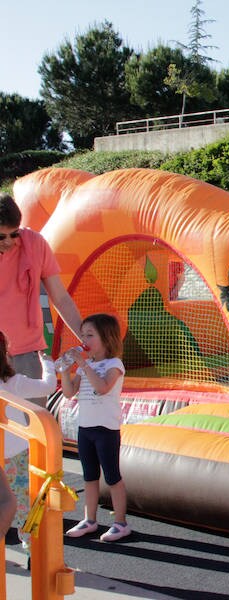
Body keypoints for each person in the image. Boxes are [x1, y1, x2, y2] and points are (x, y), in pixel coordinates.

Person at [0, 192, 82, 404]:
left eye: (14, 234)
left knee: (33, 428)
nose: (9, 241)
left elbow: (61, 298)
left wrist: (88, 340)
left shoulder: (35, 243)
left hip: (28, 354)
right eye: (1, 237)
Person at [59, 313, 131, 542]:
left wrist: (82, 364)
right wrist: (64, 369)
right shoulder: (85, 366)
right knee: (89, 475)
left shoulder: (114, 365)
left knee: (112, 476)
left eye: (90, 335)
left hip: (106, 430)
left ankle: (120, 523)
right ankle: (90, 519)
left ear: (106, 337)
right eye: (83, 335)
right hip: (86, 428)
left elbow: (102, 388)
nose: (85, 340)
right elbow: (69, 393)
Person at [0, 330, 56, 547]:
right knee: (28, 508)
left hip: (9, 457)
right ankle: (33, 551)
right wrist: (47, 363)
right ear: (5, 354)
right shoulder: (14, 382)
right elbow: (48, 386)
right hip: (18, 456)